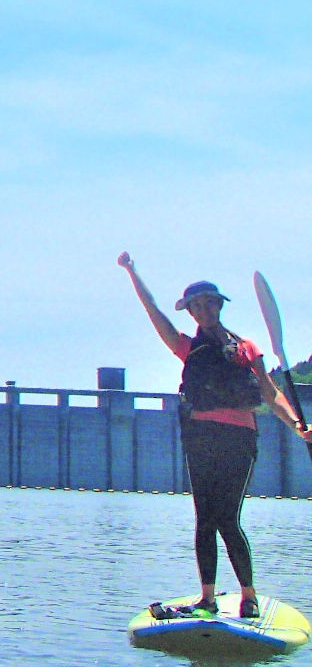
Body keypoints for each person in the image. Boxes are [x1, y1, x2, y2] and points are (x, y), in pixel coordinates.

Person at [119, 253, 312, 619]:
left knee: (228, 517)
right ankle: (207, 597)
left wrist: (299, 427)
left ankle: (248, 595)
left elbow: (271, 395)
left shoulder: (247, 348)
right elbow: (154, 312)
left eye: (210, 303)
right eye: (197, 306)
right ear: (189, 312)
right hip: (201, 437)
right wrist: (132, 271)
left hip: (239, 438)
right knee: (204, 518)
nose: (205, 310)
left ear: (220, 306)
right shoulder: (187, 346)